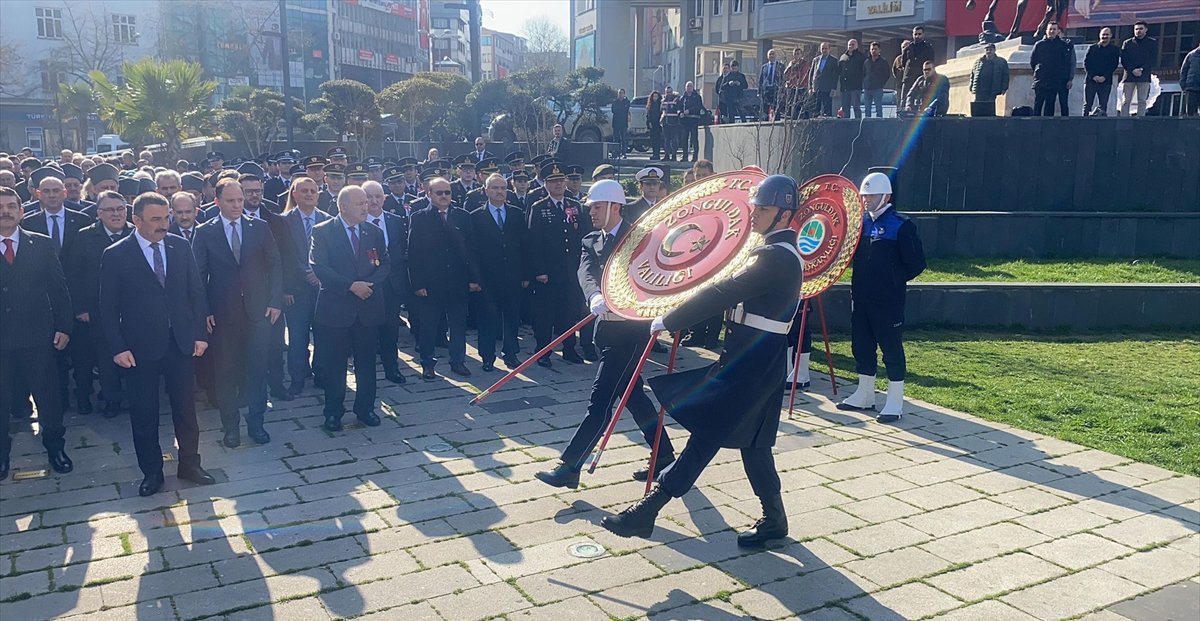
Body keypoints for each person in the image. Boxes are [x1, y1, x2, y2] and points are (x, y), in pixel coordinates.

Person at [600, 175, 804, 548]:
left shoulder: (776, 257)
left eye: (765, 208)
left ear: (785, 215)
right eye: (756, 206)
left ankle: (648, 511)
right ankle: (775, 520)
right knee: (754, 445)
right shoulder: (773, 251)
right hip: (754, 360)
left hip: (752, 365)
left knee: (707, 436)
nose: (755, 213)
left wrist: (670, 319)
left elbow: (724, 292)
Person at [535, 179, 677, 490]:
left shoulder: (640, 238)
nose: (592, 213)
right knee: (634, 396)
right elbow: (584, 270)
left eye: (597, 207)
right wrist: (594, 295)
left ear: (615, 206)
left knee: (600, 401)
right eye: (590, 208)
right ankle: (664, 455)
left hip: (632, 332)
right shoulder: (590, 239)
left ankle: (570, 466)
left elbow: (657, 275)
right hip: (607, 330)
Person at [99, 192, 214, 496]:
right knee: (145, 412)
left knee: (186, 410)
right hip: (139, 350)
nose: (164, 225)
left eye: (166, 218)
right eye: (156, 219)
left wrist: (200, 334)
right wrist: (118, 347)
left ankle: (190, 464)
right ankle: (152, 471)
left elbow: (196, 293)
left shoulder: (179, 246)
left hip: (180, 343)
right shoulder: (116, 254)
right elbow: (107, 308)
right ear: (135, 220)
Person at [193, 179, 283, 448]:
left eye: (240, 200)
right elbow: (197, 275)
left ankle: (257, 424)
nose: (236, 205)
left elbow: (275, 265)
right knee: (226, 372)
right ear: (217, 201)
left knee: (257, 370)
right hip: (223, 315)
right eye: (230, 201)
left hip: (258, 313)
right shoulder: (205, 232)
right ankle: (230, 427)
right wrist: (204, 311)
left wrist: (275, 301)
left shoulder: (260, 227)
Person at [837, 172, 926, 423]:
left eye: (871, 195)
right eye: (864, 196)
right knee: (861, 346)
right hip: (861, 297)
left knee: (891, 349)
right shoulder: (860, 223)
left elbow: (916, 263)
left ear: (886, 195)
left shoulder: (902, 225)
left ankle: (894, 401)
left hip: (888, 301)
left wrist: (892, 280)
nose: (866, 200)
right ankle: (865, 394)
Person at [0, 186, 74, 481]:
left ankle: (55, 447)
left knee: (49, 398)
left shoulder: (40, 244)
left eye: (10, 206)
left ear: (21, 211)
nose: (4, 212)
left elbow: (59, 289)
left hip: (37, 337)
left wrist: (64, 327)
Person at [310, 186, 390, 431]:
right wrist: (350, 286)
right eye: (359, 204)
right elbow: (319, 266)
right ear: (343, 206)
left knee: (366, 363)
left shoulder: (373, 231)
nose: (366, 207)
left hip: (368, 307)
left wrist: (369, 285)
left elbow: (385, 263)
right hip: (336, 309)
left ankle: (365, 409)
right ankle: (333, 412)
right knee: (335, 365)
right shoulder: (323, 231)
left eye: (366, 202)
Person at [64, 191, 132, 419]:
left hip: (134, 308)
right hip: (99, 309)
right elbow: (74, 274)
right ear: (99, 213)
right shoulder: (85, 236)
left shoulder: (136, 233)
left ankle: (135, 397)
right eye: (110, 210)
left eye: (120, 209)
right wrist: (80, 308)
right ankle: (112, 399)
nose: (116, 214)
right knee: (107, 358)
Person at [407, 177, 478, 379]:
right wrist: (418, 283)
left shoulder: (462, 216)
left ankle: (458, 361)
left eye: (447, 192)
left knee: (457, 325)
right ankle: (428, 363)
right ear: (429, 194)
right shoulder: (419, 217)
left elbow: (471, 250)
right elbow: (413, 253)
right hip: (431, 283)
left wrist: (474, 279)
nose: (445, 196)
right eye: (439, 193)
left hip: (457, 281)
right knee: (429, 326)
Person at [526, 162, 588, 368]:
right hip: (549, 273)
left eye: (561, 180)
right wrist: (539, 270)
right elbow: (534, 242)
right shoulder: (539, 207)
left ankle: (569, 349)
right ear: (546, 185)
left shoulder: (575, 206)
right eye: (553, 181)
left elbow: (580, 238)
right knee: (546, 315)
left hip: (571, 271)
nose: (559, 184)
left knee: (569, 313)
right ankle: (543, 351)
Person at [469, 173, 527, 371]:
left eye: (503, 188)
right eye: (495, 188)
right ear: (486, 191)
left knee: (511, 317)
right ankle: (487, 356)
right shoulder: (476, 216)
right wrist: (474, 278)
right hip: (487, 279)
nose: (499, 192)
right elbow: (473, 251)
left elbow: (524, 245)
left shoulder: (517, 213)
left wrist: (525, 275)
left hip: (512, 276)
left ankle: (511, 354)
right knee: (487, 319)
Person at [281, 176, 331, 396]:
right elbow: (281, 257)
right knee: (298, 337)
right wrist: (291, 284)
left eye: (313, 190)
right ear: (295, 194)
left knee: (323, 334)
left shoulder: (328, 219)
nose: (309, 194)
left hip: (322, 290)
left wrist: (319, 275)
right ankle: (297, 377)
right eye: (304, 191)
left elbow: (332, 255)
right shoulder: (283, 221)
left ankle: (321, 374)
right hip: (296, 290)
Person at [362, 181, 409, 384]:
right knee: (366, 331)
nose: (374, 201)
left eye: (378, 196)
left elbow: (401, 250)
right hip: (366, 286)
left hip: (391, 285)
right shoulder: (358, 222)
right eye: (369, 197)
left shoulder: (395, 220)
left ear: (384, 198)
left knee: (391, 330)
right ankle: (365, 371)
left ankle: (392, 368)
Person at [1030, 22, 1073, 117]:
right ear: (1046, 31)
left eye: (1054, 29)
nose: (1052, 31)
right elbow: (1033, 61)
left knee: (1050, 108)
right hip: (1041, 81)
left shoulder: (1063, 45)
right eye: (1050, 29)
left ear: (1058, 31)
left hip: (1055, 82)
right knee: (1037, 106)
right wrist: (1038, 72)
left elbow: (1066, 63)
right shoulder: (1039, 45)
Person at [1120, 21, 1157, 116]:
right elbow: (1124, 59)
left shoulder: (1152, 43)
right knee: (1125, 100)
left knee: (1142, 100)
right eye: (1136, 29)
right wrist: (1132, 70)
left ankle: (1140, 122)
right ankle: (1123, 122)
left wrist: (1141, 69)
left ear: (1146, 30)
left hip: (1144, 75)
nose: (1138, 31)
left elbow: (1153, 59)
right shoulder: (1127, 43)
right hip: (1129, 75)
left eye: (1141, 29)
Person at [1084, 28, 1120, 116]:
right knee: (1087, 105)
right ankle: (1083, 125)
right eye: (1103, 34)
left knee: (1103, 106)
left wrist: (1104, 77)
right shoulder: (1092, 48)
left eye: (1107, 35)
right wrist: (1093, 76)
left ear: (1111, 36)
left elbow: (1114, 65)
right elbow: (1086, 63)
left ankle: (1101, 126)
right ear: (1099, 35)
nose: (1105, 36)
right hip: (1091, 81)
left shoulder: (1114, 50)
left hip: (1106, 82)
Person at [970, 43, 1011, 114]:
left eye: (990, 50)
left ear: (994, 50)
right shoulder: (978, 62)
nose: (988, 51)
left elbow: (1005, 76)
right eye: (987, 50)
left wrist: (1004, 88)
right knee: (978, 107)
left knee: (990, 107)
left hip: (992, 88)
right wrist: (971, 86)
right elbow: (973, 75)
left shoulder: (1001, 62)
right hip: (980, 89)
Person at [900, 26, 935, 103]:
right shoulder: (908, 48)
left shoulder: (928, 48)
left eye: (919, 34)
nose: (917, 36)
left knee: (920, 100)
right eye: (915, 34)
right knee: (904, 99)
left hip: (921, 77)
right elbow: (903, 63)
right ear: (912, 34)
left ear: (923, 34)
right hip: (908, 77)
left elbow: (931, 62)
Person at [809, 43, 839, 118]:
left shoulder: (833, 60)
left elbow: (835, 76)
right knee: (815, 108)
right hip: (816, 88)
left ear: (829, 49)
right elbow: (811, 74)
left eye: (826, 48)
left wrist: (834, 88)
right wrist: (810, 87)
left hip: (827, 88)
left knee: (827, 109)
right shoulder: (816, 60)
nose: (824, 50)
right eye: (822, 48)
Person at [839, 39, 866, 119]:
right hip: (845, 87)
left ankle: (858, 125)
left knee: (856, 107)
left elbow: (865, 71)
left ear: (857, 46)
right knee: (845, 108)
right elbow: (840, 71)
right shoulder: (843, 57)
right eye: (849, 44)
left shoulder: (861, 57)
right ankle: (846, 126)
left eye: (853, 44)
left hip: (856, 86)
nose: (851, 46)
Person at [782, 48, 812, 120]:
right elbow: (786, 74)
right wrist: (788, 82)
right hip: (792, 88)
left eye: (798, 54)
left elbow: (804, 75)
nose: (796, 55)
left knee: (802, 105)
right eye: (795, 54)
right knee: (792, 105)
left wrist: (797, 83)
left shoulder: (804, 63)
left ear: (801, 54)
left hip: (802, 88)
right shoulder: (791, 63)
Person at [863, 42, 891, 118]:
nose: (873, 51)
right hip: (867, 88)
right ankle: (867, 125)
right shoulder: (866, 61)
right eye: (872, 49)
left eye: (875, 49)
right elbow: (863, 73)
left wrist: (881, 83)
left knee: (878, 108)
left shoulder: (883, 62)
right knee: (867, 109)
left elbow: (887, 74)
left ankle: (879, 124)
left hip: (878, 88)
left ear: (879, 50)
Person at [679, 81, 704, 163]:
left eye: (690, 86)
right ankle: (685, 156)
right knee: (684, 139)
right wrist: (680, 113)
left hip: (694, 120)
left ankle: (695, 157)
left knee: (694, 139)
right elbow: (678, 107)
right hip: (685, 121)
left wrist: (689, 111)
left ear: (693, 87)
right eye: (687, 86)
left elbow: (698, 107)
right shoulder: (682, 98)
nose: (689, 88)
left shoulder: (697, 97)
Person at [758, 48, 786, 118]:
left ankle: (776, 123)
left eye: (773, 54)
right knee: (765, 109)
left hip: (776, 89)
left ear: (776, 56)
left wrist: (782, 91)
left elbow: (783, 80)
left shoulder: (780, 66)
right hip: (766, 90)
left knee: (776, 109)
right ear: (767, 56)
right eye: (770, 54)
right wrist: (759, 92)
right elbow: (761, 80)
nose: (771, 56)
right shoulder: (764, 67)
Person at [660, 86, 681, 162]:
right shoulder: (663, 100)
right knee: (666, 140)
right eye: (667, 92)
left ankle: (674, 156)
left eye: (670, 92)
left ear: (672, 92)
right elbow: (662, 111)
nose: (668, 94)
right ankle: (667, 155)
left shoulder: (676, 99)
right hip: (665, 123)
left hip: (674, 123)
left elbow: (678, 109)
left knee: (674, 140)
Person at [611, 89, 631, 157]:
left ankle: (623, 153)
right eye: (619, 93)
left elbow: (625, 110)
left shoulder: (627, 102)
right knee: (615, 139)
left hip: (624, 123)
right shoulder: (615, 102)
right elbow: (613, 110)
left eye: (622, 93)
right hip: (616, 122)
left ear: (624, 94)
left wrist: (620, 109)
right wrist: (620, 109)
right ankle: (615, 153)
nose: (620, 94)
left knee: (623, 139)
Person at [1183, 41, 1200, 117]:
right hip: (1191, 87)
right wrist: (1183, 85)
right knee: (1190, 114)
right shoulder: (1191, 55)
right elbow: (1184, 70)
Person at [646, 91, 664, 160]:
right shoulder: (650, 105)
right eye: (654, 96)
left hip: (658, 125)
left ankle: (657, 154)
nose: (655, 98)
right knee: (653, 140)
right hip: (652, 125)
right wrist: (649, 122)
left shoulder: (660, 104)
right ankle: (654, 154)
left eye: (656, 96)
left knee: (657, 140)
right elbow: (648, 115)